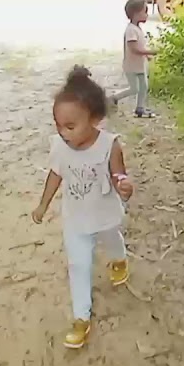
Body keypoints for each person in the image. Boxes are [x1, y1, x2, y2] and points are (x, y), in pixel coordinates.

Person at [31, 66, 135, 349]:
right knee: (78, 264)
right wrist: (43, 205)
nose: (63, 133)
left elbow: (119, 176)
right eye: (58, 125)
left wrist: (125, 185)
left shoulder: (109, 145)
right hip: (75, 220)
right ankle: (81, 317)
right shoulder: (59, 147)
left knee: (112, 239)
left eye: (70, 126)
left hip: (104, 214)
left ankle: (119, 259)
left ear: (95, 119)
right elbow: (55, 174)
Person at [110, 0, 157, 118]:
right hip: (131, 66)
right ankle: (114, 97)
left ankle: (140, 108)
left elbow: (139, 46)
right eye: (144, 12)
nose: (147, 15)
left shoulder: (137, 29)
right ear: (135, 14)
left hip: (139, 65)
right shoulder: (131, 30)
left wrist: (146, 55)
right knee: (134, 88)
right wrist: (150, 52)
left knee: (144, 87)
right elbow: (134, 48)